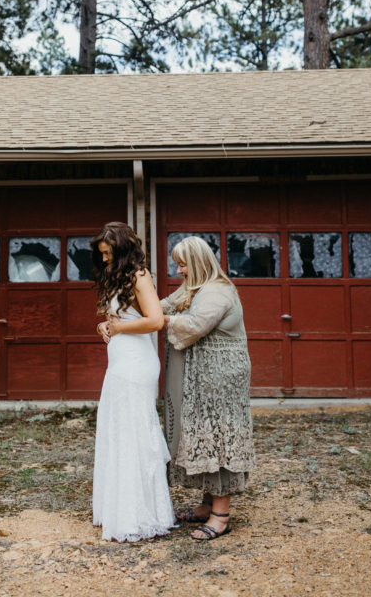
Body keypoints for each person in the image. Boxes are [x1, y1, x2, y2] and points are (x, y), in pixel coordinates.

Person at [162, 236, 255, 541]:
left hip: (220, 379)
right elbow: (166, 304)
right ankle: (207, 504)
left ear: (198, 262)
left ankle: (221, 516)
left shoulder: (216, 291)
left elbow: (193, 325)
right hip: (203, 378)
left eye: (183, 264)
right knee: (202, 435)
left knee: (218, 439)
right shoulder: (194, 288)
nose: (179, 270)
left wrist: (161, 319)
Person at [91, 221, 175, 543]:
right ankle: (119, 508)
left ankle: (138, 515)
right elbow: (122, 318)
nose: (104, 259)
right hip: (120, 361)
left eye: (108, 253)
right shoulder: (117, 276)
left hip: (136, 363)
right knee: (117, 429)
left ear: (122, 249)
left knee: (132, 433)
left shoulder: (139, 275)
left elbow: (155, 320)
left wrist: (119, 328)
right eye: (102, 254)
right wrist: (106, 326)